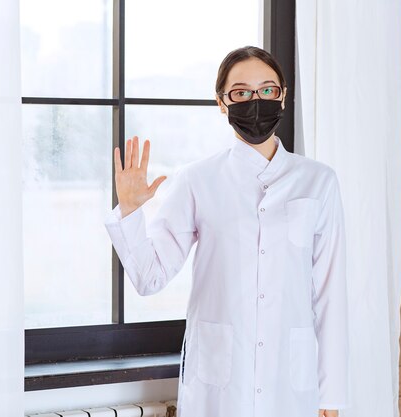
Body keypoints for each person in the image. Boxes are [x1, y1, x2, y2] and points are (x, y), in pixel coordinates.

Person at [103, 46, 349, 417]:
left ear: (283, 96)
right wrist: (132, 210)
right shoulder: (197, 180)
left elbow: (331, 295)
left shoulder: (318, 182)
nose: (256, 101)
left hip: (292, 380)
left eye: (267, 90)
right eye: (241, 92)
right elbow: (150, 278)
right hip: (218, 385)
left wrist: (332, 398)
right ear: (221, 102)